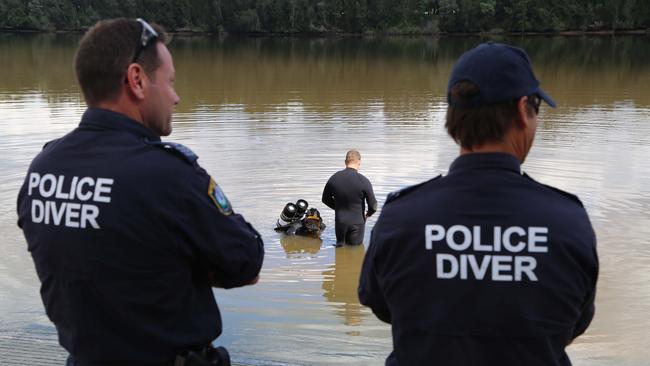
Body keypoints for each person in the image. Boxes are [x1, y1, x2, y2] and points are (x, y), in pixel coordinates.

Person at [16, 18, 264, 365]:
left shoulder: (43, 168)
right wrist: (184, 267)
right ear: (137, 80)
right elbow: (246, 264)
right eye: (170, 81)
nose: (176, 98)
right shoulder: (167, 175)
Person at [358, 42, 598, 366]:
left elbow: (380, 304)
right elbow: (573, 322)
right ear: (523, 110)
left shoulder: (401, 216)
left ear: (453, 116)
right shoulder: (568, 221)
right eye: (537, 107)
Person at [322, 150, 377, 246]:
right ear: (359, 161)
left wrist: (338, 208)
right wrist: (368, 214)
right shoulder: (364, 181)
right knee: (355, 254)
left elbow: (325, 199)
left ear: (345, 162)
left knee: (340, 249)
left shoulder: (334, 178)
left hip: (340, 222)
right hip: (357, 223)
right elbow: (373, 205)